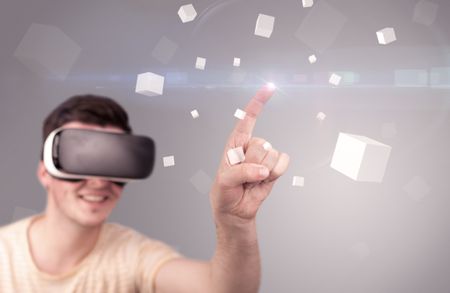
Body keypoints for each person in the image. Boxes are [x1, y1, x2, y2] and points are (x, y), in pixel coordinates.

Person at [0, 86, 289, 293]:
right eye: (81, 160)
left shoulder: (133, 256)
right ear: (45, 171)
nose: (100, 181)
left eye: (114, 163)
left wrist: (235, 223)